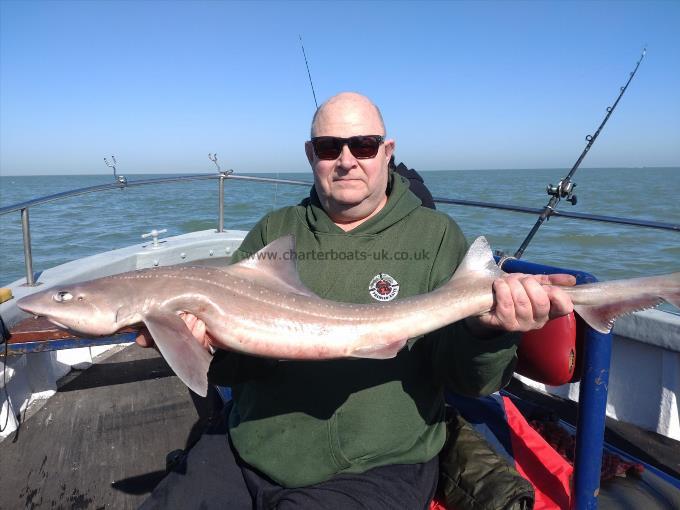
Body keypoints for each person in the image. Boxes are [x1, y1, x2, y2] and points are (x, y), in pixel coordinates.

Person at [138, 92, 574, 509]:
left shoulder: (435, 236)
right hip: (252, 444)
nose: (346, 160)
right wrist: (203, 344)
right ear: (311, 155)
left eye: (363, 146)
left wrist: (488, 333)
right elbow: (235, 370)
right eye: (330, 147)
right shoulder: (275, 232)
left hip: (378, 463)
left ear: (387, 151)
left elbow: (469, 382)